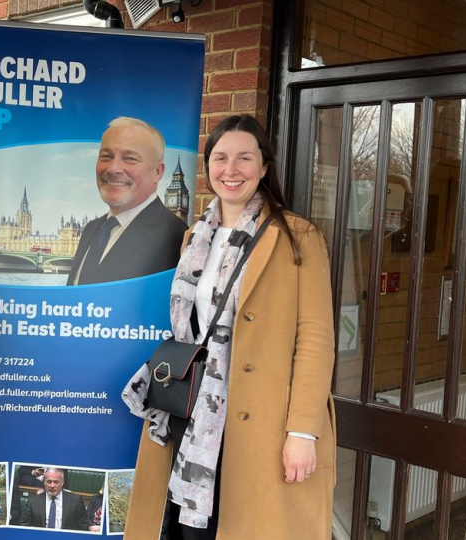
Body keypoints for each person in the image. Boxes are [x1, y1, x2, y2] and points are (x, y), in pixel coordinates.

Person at [122, 115, 336, 539]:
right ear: (208, 167)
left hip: (263, 421)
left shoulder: (298, 236)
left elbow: (315, 340)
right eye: (220, 158)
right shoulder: (194, 237)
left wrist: (302, 431)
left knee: (243, 525)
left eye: (244, 158)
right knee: (188, 530)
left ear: (264, 166)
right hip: (191, 410)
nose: (230, 170)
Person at [67, 117, 187, 285]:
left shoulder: (176, 238)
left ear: (158, 172)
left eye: (130, 158)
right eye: (106, 156)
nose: (114, 168)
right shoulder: (91, 229)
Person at [20, 468, 89, 531]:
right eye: (49, 481)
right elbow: (24, 527)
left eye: (56, 482)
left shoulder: (75, 501)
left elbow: (83, 527)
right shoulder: (33, 502)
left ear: (62, 482)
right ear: (44, 482)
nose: (52, 486)